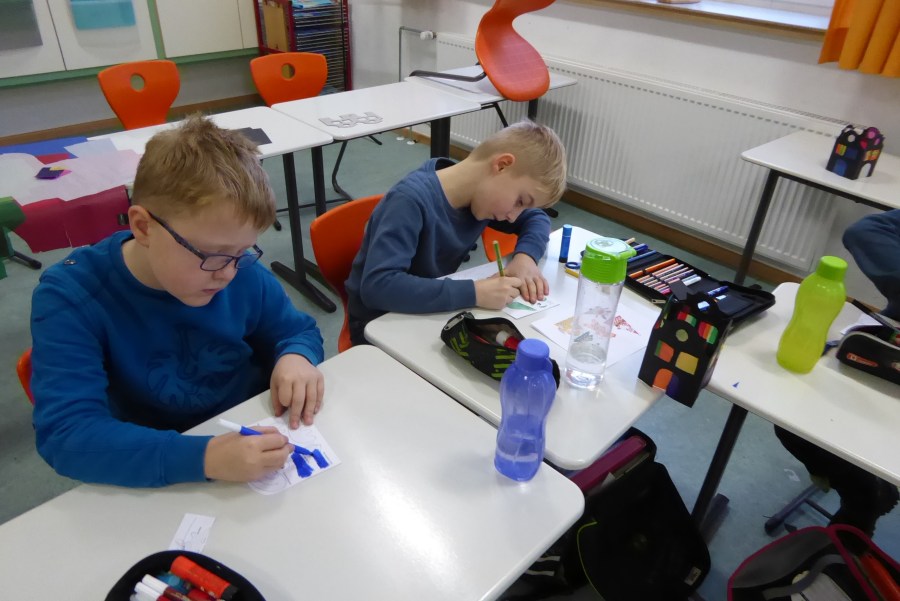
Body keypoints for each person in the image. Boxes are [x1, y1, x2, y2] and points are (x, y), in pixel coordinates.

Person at [30, 115, 325, 488]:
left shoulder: (236, 266)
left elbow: (297, 330)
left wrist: (296, 356)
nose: (228, 273)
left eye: (242, 252)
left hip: (253, 433)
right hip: (156, 460)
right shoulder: (71, 295)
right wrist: (204, 458)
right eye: (212, 255)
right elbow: (67, 435)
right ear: (143, 227)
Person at [345, 120, 567, 346]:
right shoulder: (409, 201)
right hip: (378, 326)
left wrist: (525, 258)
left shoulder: (480, 197)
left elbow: (537, 218)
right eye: (520, 201)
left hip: (427, 312)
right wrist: (475, 293)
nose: (514, 216)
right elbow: (379, 287)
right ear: (501, 166)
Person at [774, 209, 900, 536]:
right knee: (792, 418)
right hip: (887, 349)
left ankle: (860, 508)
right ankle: (863, 492)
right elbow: (866, 230)